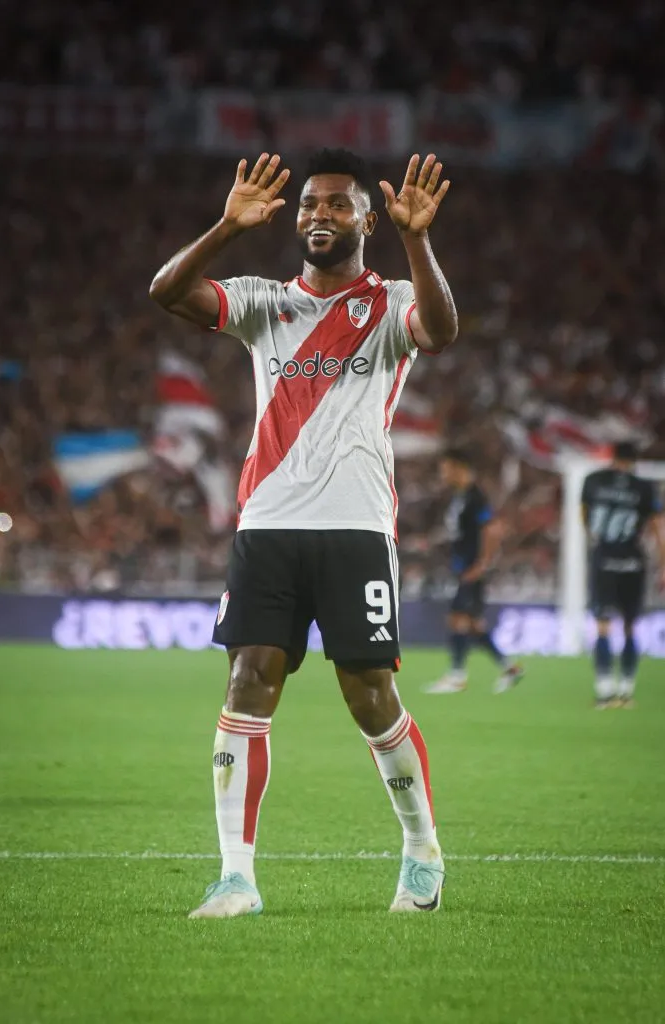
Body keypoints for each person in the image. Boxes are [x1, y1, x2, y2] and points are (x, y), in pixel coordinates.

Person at [150, 148, 459, 917]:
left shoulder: (389, 303)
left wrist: (419, 241)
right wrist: (226, 225)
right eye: (309, 205)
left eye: (336, 204)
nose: (318, 214)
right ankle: (236, 877)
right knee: (247, 681)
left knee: (370, 694)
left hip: (356, 525)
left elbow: (443, 331)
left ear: (367, 219)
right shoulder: (262, 301)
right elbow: (167, 292)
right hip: (268, 524)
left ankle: (422, 850)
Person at [424, 449, 523, 695]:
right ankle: (510, 669)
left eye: (445, 468)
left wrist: (481, 564)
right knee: (474, 625)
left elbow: (492, 529)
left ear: (459, 467)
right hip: (463, 567)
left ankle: (457, 676)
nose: (443, 474)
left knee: (457, 619)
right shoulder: (460, 496)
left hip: (471, 569)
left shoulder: (474, 496)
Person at [581, 442, 665, 708]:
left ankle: (604, 691)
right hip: (632, 560)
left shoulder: (593, 481)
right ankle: (626, 691)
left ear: (612, 458)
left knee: (603, 625)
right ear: (634, 461)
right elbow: (657, 527)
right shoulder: (643, 487)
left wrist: (595, 540)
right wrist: (664, 563)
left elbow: (584, 516)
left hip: (604, 557)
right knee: (630, 627)